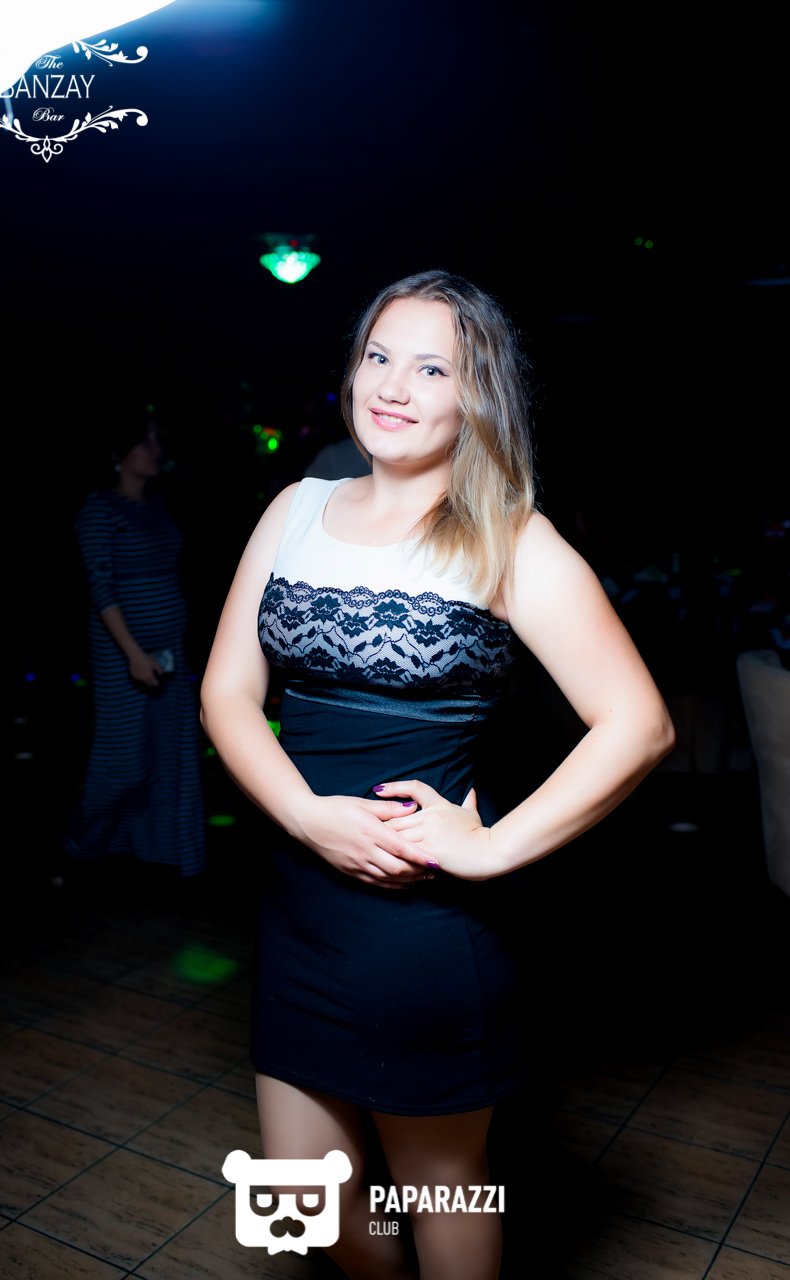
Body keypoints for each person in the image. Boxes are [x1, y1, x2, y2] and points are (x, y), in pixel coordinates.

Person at [199, 270, 675, 1279]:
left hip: (421, 933)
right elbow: (226, 694)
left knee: (441, 1187)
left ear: (476, 395)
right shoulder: (294, 508)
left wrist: (493, 846)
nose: (392, 385)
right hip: (298, 907)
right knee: (301, 1197)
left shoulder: (510, 536)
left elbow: (637, 724)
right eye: (378, 356)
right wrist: (305, 816)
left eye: (430, 368)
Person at [64, 402, 207, 883]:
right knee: (123, 761)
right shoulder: (99, 510)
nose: (154, 449)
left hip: (169, 650)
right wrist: (133, 656)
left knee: (169, 757)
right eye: (144, 442)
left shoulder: (158, 505)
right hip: (124, 655)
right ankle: (81, 847)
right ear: (117, 454)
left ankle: (154, 858)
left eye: (156, 440)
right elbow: (100, 588)